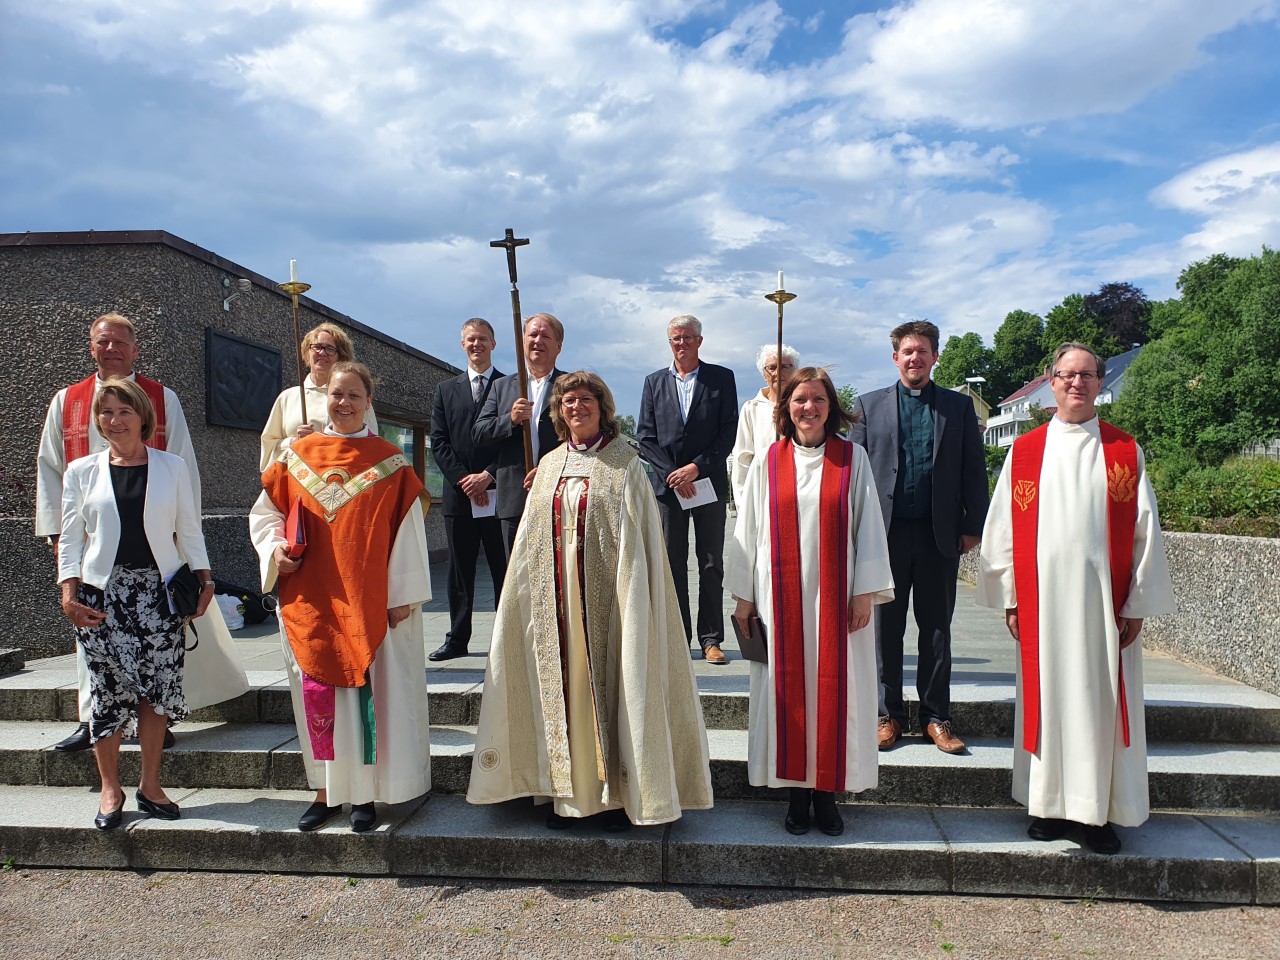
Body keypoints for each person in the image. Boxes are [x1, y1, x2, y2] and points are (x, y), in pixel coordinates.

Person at [467, 371, 713, 830]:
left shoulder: (625, 464)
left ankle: (617, 796)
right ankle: (567, 795)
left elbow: (641, 544)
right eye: (568, 402)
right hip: (556, 606)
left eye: (586, 400)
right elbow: (528, 544)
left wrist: (632, 600)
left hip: (610, 605)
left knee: (614, 686)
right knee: (563, 692)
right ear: (559, 413)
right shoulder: (550, 465)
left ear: (602, 408)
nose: (576, 407)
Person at [977, 342, 1175, 855]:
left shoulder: (1123, 451)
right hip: (1042, 605)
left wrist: (1134, 605)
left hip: (1101, 607)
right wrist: (1010, 597)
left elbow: (1143, 532)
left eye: (1087, 375)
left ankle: (1095, 813)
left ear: (1099, 382)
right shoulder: (1024, 452)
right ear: (1052, 380)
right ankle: (1046, 805)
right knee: (1048, 701)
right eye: (1067, 375)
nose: (1076, 384)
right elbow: (1002, 528)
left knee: (1097, 702)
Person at [36, 312, 247, 754]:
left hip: (152, 542)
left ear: (135, 349)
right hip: (90, 543)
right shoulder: (67, 401)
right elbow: (51, 471)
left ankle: (155, 719)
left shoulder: (162, 397)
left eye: (119, 342)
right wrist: (57, 536)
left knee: (156, 643)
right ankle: (90, 717)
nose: (110, 349)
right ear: (90, 347)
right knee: (93, 636)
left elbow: (184, 466)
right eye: (102, 342)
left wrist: (183, 538)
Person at [249, 361, 432, 833]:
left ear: (369, 402)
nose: (344, 403)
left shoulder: (390, 461)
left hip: (367, 598)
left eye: (354, 395)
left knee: (365, 699)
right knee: (318, 696)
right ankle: (326, 792)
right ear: (323, 397)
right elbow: (267, 515)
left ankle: (365, 794)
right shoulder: (294, 456)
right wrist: (275, 551)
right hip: (311, 597)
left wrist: (402, 595)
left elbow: (408, 533)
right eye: (336, 394)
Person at [725, 368, 894, 836]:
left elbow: (869, 528)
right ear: (786, 409)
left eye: (818, 399)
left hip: (836, 602)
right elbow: (748, 532)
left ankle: (827, 796)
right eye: (799, 399)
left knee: (835, 695)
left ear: (831, 407)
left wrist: (865, 592)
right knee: (788, 695)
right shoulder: (767, 460)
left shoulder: (851, 458)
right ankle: (798, 796)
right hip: (780, 603)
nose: (808, 408)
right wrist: (743, 599)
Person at [57, 379, 215, 829]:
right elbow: (70, 539)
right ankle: (110, 790)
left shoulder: (172, 467)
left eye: (124, 411)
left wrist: (204, 580)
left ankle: (150, 785)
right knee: (107, 694)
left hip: (159, 594)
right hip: (100, 597)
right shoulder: (81, 471)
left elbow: (189, 530)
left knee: (156, 691)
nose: (115, 420)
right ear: (98, 421)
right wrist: (67, 593)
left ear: (142, 416)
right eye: (106, 412)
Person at [850, 320, 988, 754]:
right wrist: (852, 533)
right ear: (895, 358)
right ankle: (886, 715)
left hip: (937, 536)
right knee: (884, 632)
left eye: (923, 351)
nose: (915, 358)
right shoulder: (867, 406)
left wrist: (972, 526)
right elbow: (852, 475)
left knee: (936, 630)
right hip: (883, 536)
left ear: (935, 357)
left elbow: (972, 469)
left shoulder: (957, 408)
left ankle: (936, 717)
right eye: (907, 351)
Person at [637, 315, 738, 664]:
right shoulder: (654, 382)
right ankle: (677, 638)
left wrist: (695, 468)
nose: (682, 343)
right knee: (672, 562)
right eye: (676, 338)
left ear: (700, 340)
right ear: (669, 343)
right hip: (668, 489)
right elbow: (645, 436)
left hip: (707, 482)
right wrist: (672, 474)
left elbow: (727, 432)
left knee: (710, 562)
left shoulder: (721, 379)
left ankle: (711, 639)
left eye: (688, 337)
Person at [427, 318, 508, 661]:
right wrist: (466, 480)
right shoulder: (446, 390)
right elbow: (439, 441)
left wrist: (488, 476)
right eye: (471, 340)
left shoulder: (509, 386)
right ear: (463, 345)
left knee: (504, 569)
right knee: (460, 571)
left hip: (500, 495)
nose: (477, 345)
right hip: (460, 498)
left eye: (483, 339)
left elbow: (516, 440)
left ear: (493, 344)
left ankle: (508, 642)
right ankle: (457, 639)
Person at [472, 312, 567, 552]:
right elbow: (479, 433)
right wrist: (510, 420)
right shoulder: (501, 387)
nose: (538, 340)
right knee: (517, 578)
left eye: (546, 336)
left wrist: (549, 471)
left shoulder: (570, 385)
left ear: (558, 346)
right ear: (522, 341)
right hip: (514, 499)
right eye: (532, 334)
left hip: (559, 496)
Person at [258, 321, 378, 471]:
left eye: (330, 349)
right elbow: (268, 446)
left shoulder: (355, 400)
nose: (322, 353)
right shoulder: (288, 397)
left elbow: (370, 445)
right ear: (307, 353)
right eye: (317, 347)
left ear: (341, 357)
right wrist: (294, 442)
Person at [730, 343, 799, 504]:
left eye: (785, 367)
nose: (778, 373)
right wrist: (744, 504)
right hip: (763, 496)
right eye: (772, 368)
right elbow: (743, 460)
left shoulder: (805, 408)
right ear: (764, 374)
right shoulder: (751, 409)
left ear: (795, 371)